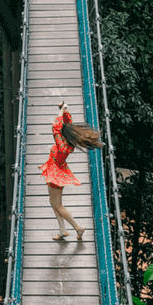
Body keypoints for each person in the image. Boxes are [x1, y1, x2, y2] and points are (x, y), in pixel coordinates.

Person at [39, 101, 103, 241]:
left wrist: (61, 111)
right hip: (58, 170)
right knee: (53, 202)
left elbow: (55, 127)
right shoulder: (69, 142)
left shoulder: (62, 145)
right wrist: (64, 110)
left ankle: (77, 228)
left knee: (57, 205)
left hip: (55, 173)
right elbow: (67, 123)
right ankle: (62, 230)